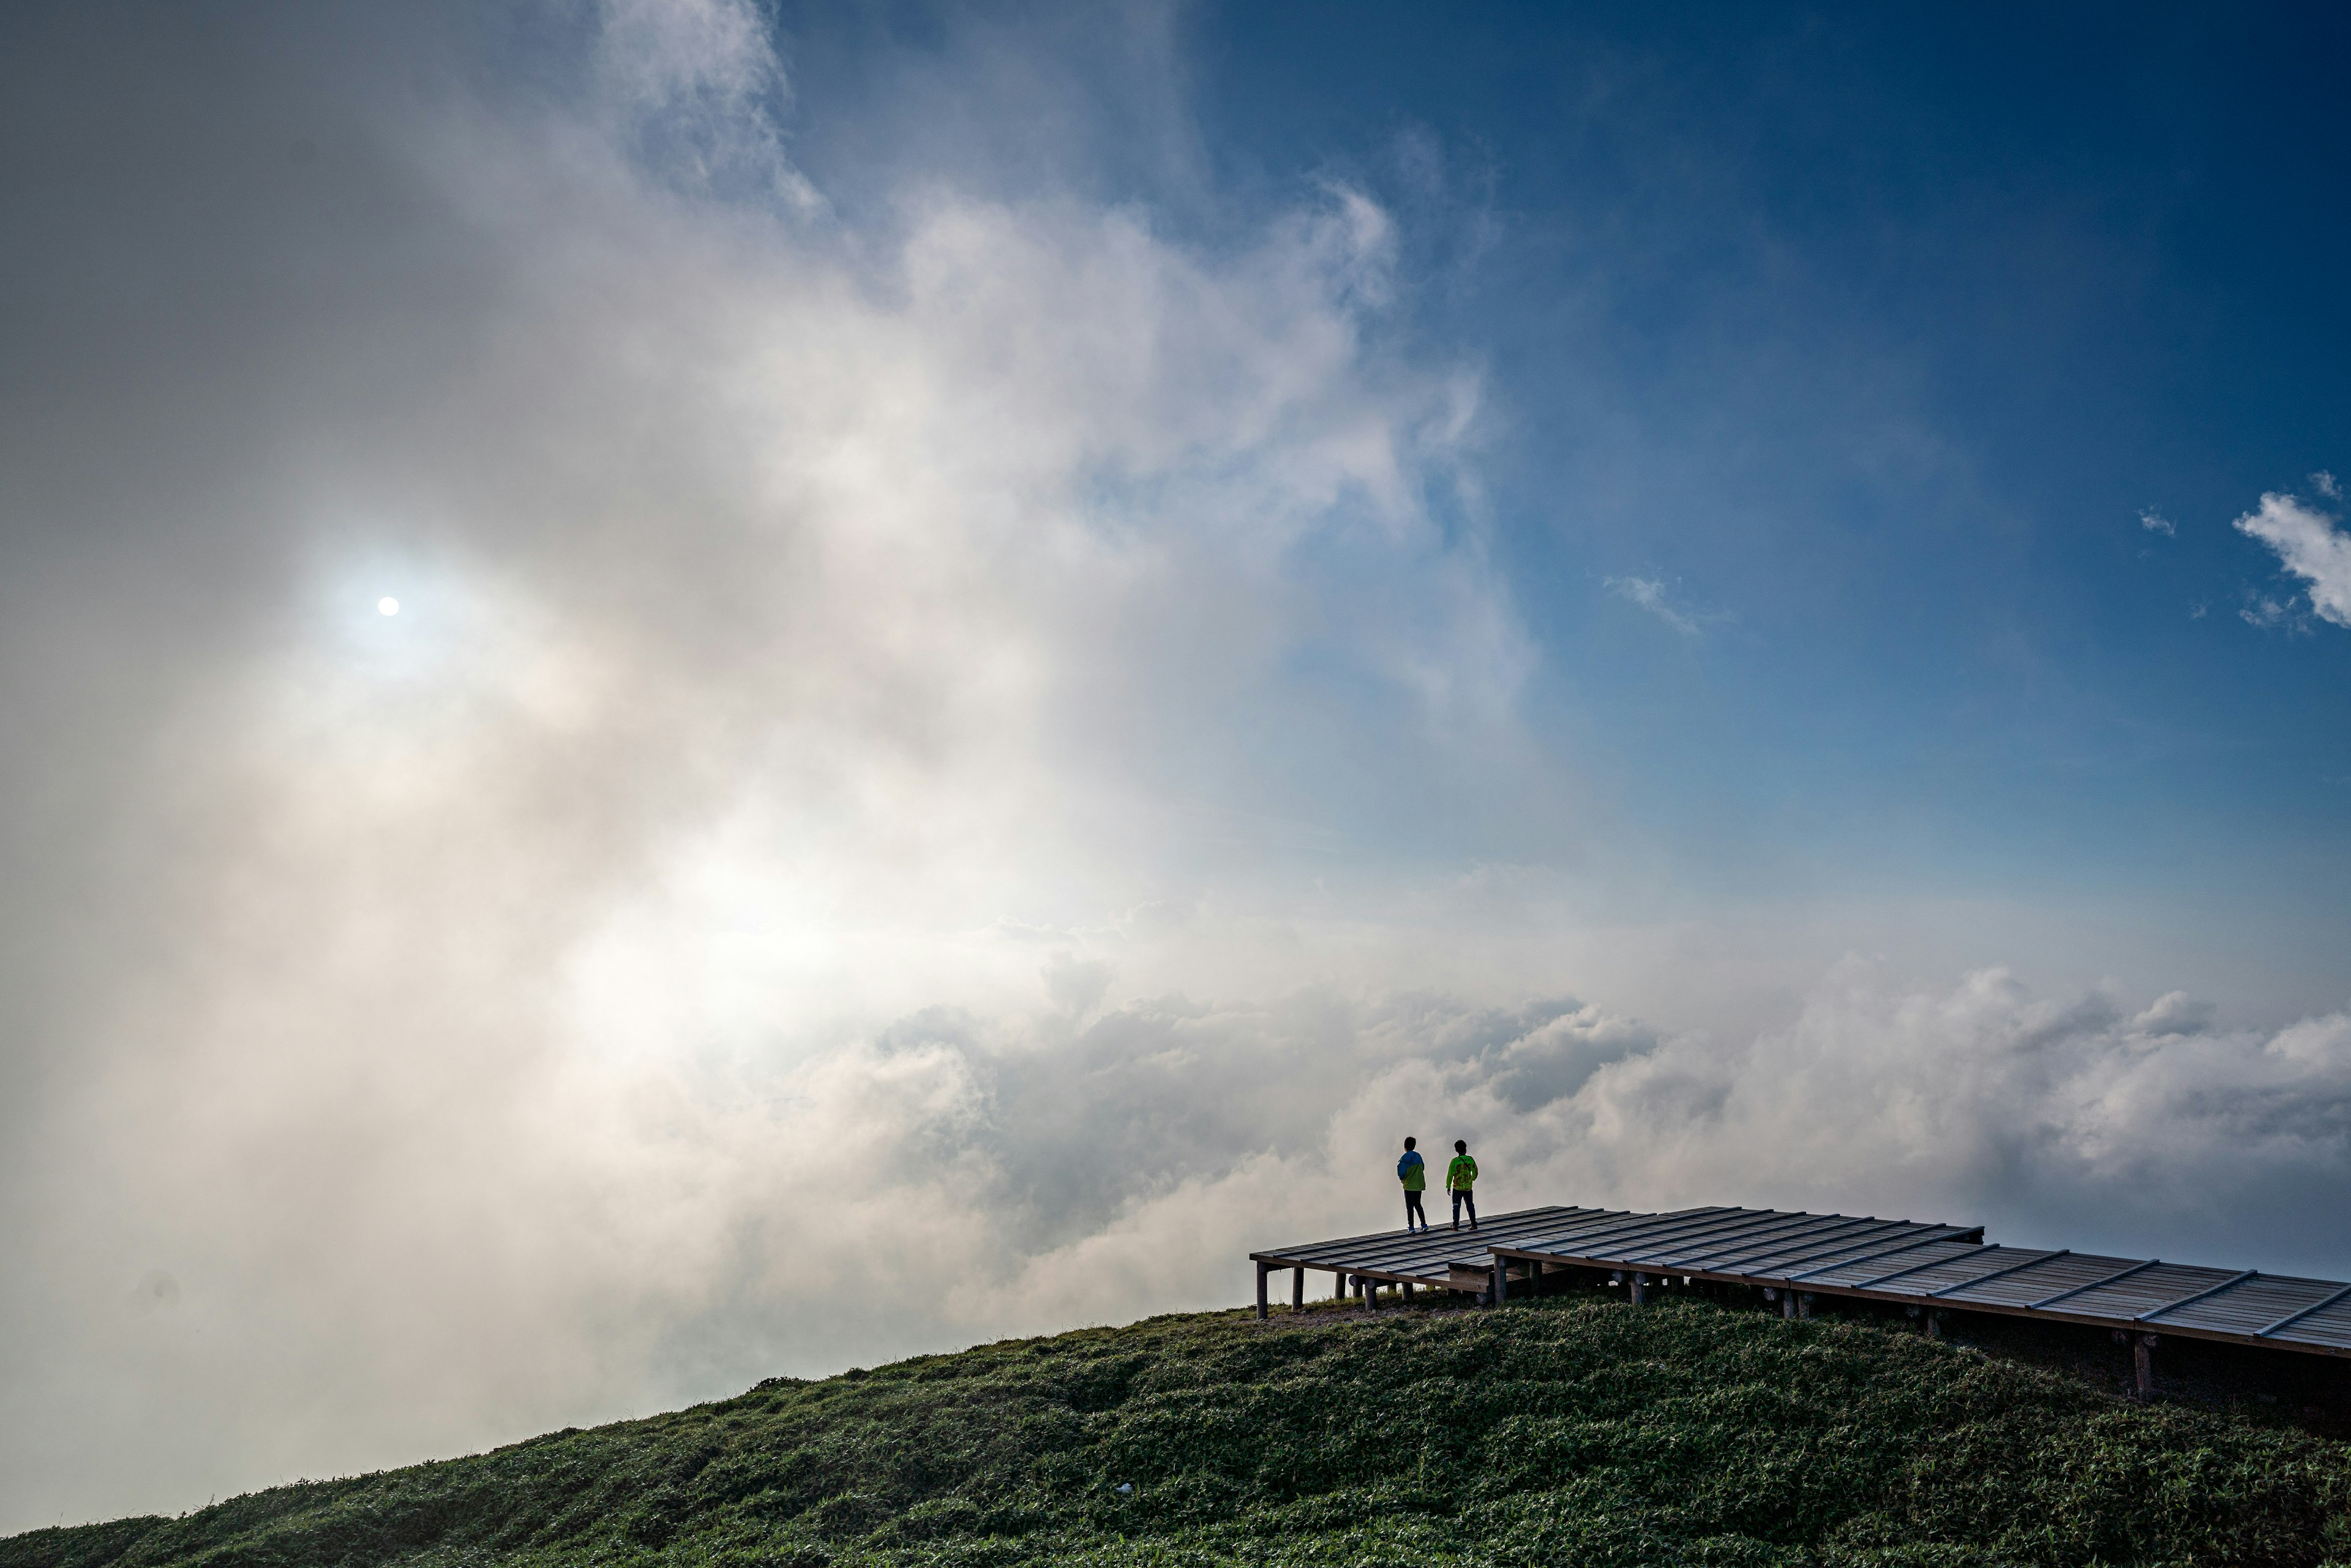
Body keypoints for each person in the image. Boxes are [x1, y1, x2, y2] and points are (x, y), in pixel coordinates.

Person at [1397, 1137, 1428, 1231]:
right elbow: (1423, 1167)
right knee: (1418, 1205)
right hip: (1418, 1185)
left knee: (1409, 1207)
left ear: (1405, 1147)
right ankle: (1424, 1224)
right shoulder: (1418, 1156)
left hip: (1409, 1186)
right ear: (1414, 1146)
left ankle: (1411, 1227)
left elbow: (1401, 1174)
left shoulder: (1404, 1159)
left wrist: (1403, 1179)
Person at [1447, 1139, 1479, 1231]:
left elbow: (1450, 1175)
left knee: (1456, 1206)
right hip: (1468, 1188)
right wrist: (1472, 1179)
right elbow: (1476, 1171)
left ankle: (1455, 1224)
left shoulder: (1454, 1161)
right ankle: (1474, 1224)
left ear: (1456, 1150)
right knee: (1470, 1206)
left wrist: (1448, 1186)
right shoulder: (1470, 1159)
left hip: (1457, 1188)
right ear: (1466, 1149)